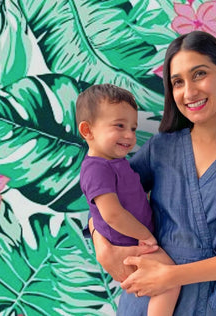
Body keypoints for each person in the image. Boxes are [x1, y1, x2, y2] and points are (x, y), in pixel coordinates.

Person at [90, 31, 216, 315]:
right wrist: (101, 245)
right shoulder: (161, 147)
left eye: (199, 74)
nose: (189, 92)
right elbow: (104, 195)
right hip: (146, 299)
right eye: (177, 82)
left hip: (207, 300)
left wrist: (170, 276)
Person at [76, 84, 180, 316]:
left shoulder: (115, 163)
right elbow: (111, 214)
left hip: (131, 242)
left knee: (165, 282)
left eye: (132, 128)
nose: (129, 136)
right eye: (119, 126)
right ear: (87, 130)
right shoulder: (96, 169)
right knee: (169, 279)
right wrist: (145, 236)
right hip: (129, 245)